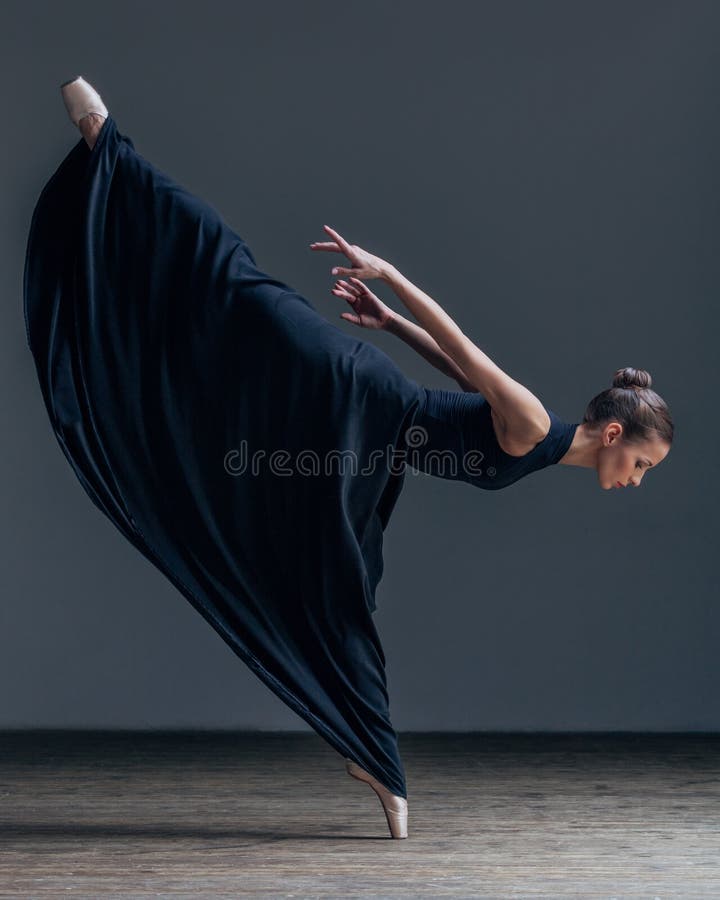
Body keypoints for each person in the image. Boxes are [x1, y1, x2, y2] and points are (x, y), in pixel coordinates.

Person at [23, 76, 673, 841]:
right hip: (352, 398)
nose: (636, 481)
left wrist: (389, 323)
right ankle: (108, 140)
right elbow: (464, 345)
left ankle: (375, 760)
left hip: (364, 439)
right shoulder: (533, 423)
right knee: (235, 285)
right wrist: (387, 277)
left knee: (341, 592)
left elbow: (453, 371)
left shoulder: (539, 438)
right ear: (612, 436)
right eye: (642, 464)